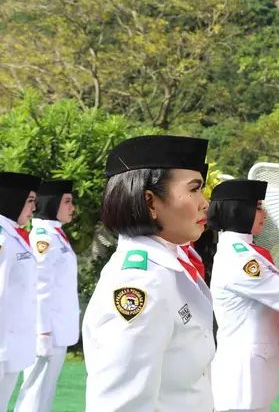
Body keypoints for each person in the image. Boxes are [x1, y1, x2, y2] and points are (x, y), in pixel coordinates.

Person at [81, 135, 216, 412]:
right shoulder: (140, 283)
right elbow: (122, 404)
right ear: (151, 202)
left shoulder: (168, 267)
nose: (205, 203)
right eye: (194, 190)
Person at [208, 179, 279, 412]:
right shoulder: (239, 260)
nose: (264, 215)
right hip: (242, 380)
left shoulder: (246, 253)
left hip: (253, 372)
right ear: (239, 210)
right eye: (259, 207)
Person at [16, 180, 80, 412]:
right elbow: (40, 287)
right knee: (34, 392)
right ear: (52, 203)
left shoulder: (55, 234)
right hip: (46, 332)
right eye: (67, 201)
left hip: (56, 331)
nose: (72, 208)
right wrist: (42, 332)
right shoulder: (44, 238)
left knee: (45, 392)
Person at [0, 172, 41, 410]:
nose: (34, 207)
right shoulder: (3, 237)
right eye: (30, 200)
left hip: (12, 342)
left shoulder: (14, 234)